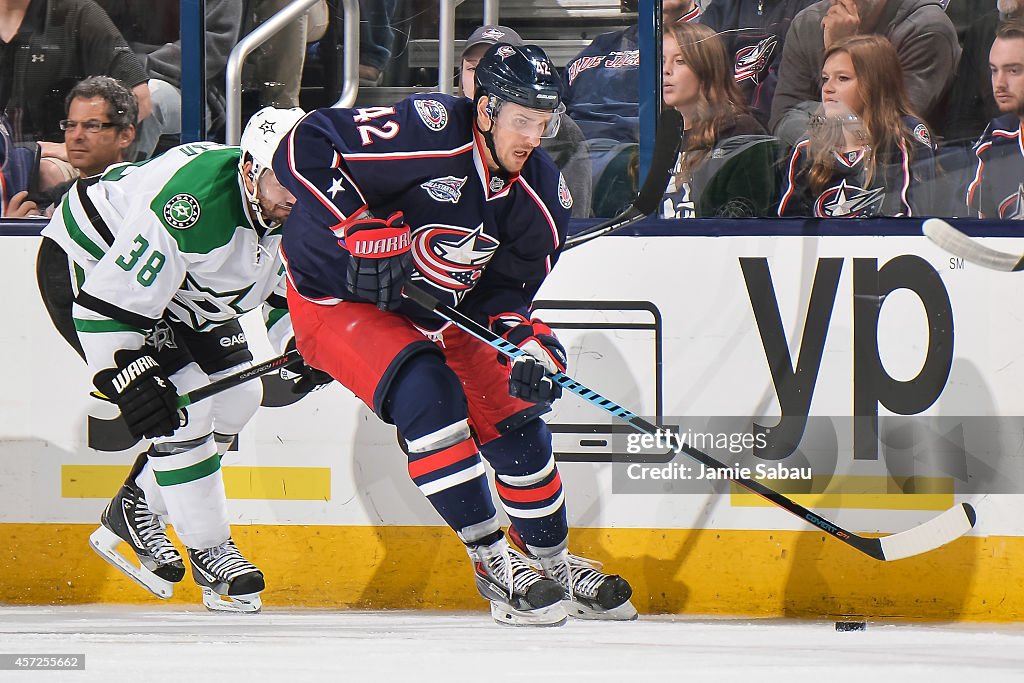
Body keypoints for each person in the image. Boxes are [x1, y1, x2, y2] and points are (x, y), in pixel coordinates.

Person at [273, 43, 637, 626]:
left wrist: (526, 344)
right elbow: (305, 142)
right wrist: (355, 221)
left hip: (445, 307)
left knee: (516, 414)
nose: (532, 138)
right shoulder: (429, 128)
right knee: (429, 393)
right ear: (486, 109)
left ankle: (552, 563)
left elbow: (503, 297)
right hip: (335, 297)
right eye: (522, 121)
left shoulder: (541, 196)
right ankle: (494, 558)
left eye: (543, 124)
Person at [37, 106, 330, 613]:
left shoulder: (303, 203)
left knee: (241, 396)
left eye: (305, 178)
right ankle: (211, 549)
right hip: (92, 265)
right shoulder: (193, 207)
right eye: (283, 180)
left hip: (181, 287)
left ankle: (136, 506)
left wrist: (303, 344)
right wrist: (128, 375)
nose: (296, 194)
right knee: (182, 408)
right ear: (249, 169)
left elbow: (296, 292)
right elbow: (111, 306)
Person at [777, 34, 937, 217]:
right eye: (825, 78)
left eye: (843, 78)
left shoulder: (905, 138)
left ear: (875, 83)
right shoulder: (807, 148)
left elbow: (912, 224)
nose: (828, 88)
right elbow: (788, 229)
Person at [769, 0, 960, 147]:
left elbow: (886, 131)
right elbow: (783, 121)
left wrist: (844, 50)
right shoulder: (808, 23)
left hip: (896, 177)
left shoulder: (926, 30)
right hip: (814, 171)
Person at [459, 24, 592, 218]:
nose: (481, 78)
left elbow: (573, 217)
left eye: (496, 69)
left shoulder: (561, 131)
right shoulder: (444, 124)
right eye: (473, 68)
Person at [0, 0, 152, 165]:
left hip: (53, 156)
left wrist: (72, 147)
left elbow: (139, 98)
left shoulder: (79, 13)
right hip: (6, 153)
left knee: (45, 171)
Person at [660, 22, 777, 219]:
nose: (666, 70)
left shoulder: (740, 132)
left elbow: (744, 219)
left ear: (706, 69)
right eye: (661, 61)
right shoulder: (655, 134)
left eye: (680, 61)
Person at [95, 0, 242, 157]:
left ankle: (119, 177)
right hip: (120, 71)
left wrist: (137, 68)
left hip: (193, 91)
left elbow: (213, 47)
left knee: (145, 99)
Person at [697, 0, 819, 125]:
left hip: (775, 128)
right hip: (719, 125)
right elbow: (701, 72)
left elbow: (785, 80)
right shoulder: (720, 10)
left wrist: (749, 126)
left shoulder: (808, 10)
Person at [32, 75, 137, 214]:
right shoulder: (49, 201)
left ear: (125, 135)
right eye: (71, 125)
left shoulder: (145, 198)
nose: (76, 136)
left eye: (92, 126)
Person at [967, 19, 1024, 219]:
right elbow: (983, 236)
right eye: (994, 70)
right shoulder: (996, 141)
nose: (999, 83)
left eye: (1013, 71)